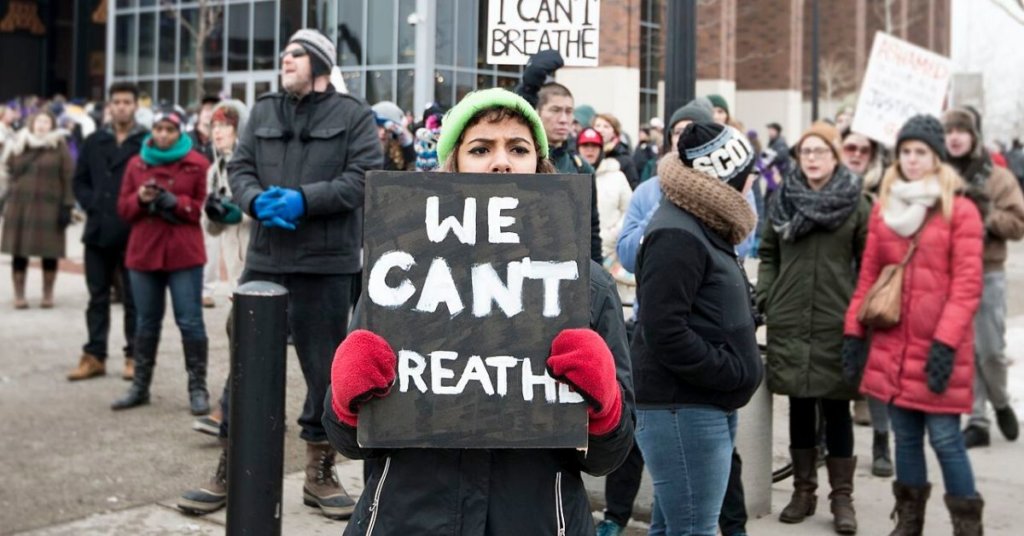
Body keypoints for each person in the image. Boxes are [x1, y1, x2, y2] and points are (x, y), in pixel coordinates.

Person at [323, 87, 634, 535]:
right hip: (406, 521)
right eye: (481, 148)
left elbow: (609, 456)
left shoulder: (587, 287)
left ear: (540, 166)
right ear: (453, 166)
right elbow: (349, 442)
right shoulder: (396, 275)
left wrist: (605, 406)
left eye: (519, 148)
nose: (501, 161)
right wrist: (346, 403)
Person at [178, 29, 381, 519]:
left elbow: (362, 179)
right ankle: (233, 462)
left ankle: (320, 467)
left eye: (295, 54)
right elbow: (242, 166)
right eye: (285, 53)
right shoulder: (263, 110)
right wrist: (254, 201)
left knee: (325, 369)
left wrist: (304, 200)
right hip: (266, 258)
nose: (284, 60)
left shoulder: (354, 116)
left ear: (319, 63)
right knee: (245, 361)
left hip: (326, 263)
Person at [842, 114, 985, 535]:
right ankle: (909, 521)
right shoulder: (886, 211)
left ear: (937, 157)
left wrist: (944, 343)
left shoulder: (960, 210)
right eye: (905, 152)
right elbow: (867, 279)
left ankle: (966, 526)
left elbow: (967, 286)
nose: (912, 159)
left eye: (921, 152)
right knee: (905, 440)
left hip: (940, 349)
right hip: (891, 346)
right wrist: (853, 332)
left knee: (945, 440)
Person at [631, 122, 763, 535]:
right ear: (726, 180)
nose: (753, 186)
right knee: (694, 529)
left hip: (699, 402)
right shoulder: (676, 231)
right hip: (683, 404)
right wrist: (730, 370)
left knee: (675, 526)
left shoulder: (699, 221)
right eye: (748, 178)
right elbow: (664, 331)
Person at [757, 121, 870, 534]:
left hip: (837, 318)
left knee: (837, 407)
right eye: (806, 152)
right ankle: (803, 491)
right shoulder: (782, 197)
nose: (812, 159)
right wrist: (766, 295)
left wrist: (860, 305)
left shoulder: (856, 202)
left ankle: (842, 497)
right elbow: (768, 252)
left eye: (821, 151)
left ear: (835, 155)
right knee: (801, 405)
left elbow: (869, 262)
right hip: (790, 314)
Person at [109, 106, 210, 414]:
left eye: (169, 129)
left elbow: (203, 207)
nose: (163, 134)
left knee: (190, 320)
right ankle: (140, 386)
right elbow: (124, 210)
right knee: (146, 321)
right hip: (144, 253)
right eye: (159, 129)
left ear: (180, 131)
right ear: (152, 131)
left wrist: (176, 202)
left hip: (183, 252)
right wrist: (140, 199)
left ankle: (197, 387)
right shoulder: (136, 164)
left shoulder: (197, 163)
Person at [943, 108, 1024, 449]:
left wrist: (982, 216)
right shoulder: (938, 174)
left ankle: (1001, 401)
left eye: (962, 130)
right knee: (965, 349)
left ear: (973, 135)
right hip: (947, 272)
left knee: (990, 349)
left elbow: (1018, 223)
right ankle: (977, 418)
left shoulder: (997, 177)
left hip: (987, 271)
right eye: (949, 131)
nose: (955, 136)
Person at [68, 82, 147, 382]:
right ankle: (94, 355)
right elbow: (80, 180)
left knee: (133, 298)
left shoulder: (145, 141)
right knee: (97, 296)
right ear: (109, 106)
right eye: (117, 102)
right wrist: (91, 204)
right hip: (98, 228)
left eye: (127, 102)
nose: (122, 107)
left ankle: (134, 356)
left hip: (133, 230)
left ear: (135, 106)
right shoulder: (94, 141)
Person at [191, 99, 252, 436]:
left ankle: (227, 412)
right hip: (236, 267)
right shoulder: (214, 171)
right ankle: (246, 411)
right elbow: (211, 228)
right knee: (244, 334)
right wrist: (214, 214)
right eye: (213, 127)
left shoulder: (251, 164)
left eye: (224, 126)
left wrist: (237, 211)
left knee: (241, 332)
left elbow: (259, 206)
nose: (217, 133)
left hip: (258, 263)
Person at [838, 126, 894, 478]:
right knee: (833, 373)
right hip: (833, 294)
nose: (857, 153)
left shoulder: (887, 192)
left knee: (876, 374)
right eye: (850, 147)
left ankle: (881, 443)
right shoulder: (830, 188)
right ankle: (825, 441)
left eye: (864, 148)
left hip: (873, 295)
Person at [0, 111, 74, 309]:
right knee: (19, 250)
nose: (42, 125)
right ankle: (19, 294)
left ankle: (47, 294)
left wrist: (67, 205)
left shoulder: (58, 145)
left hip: (50, 204)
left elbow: (68, 176)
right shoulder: (18, 143)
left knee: (49, 251)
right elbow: (6, 171)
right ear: (31, 123)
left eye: (46, 121)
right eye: (39, 121)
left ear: (52, 125)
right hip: (19, 204)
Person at [530, 80, 601, 263]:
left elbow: (591, 229)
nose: (563, 119)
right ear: (538, 112)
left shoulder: (581, 167)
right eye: (555, 110)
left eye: (569, 112)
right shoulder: (522, 162)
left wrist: (595, 274)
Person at [592, 113, 640, 189]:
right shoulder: (586, 155)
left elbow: (633, 187)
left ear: (614, 132)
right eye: (597, 126)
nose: (600, 130)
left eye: (606, 126)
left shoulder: (624, 159)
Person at [371, 101, 416, 171]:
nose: (383, 132)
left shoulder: (398, 156)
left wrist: (402, 134)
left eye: (387, 130)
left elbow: (412, 165)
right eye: (379, 127)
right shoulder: (364, 152)